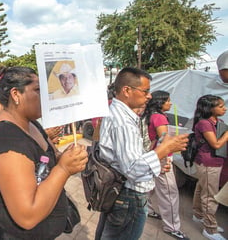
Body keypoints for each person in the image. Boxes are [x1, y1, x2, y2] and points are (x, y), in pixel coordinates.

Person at [0, 66, 88, 239]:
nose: (45, 97)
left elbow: (48, 159)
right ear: (16, 95)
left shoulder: (31, 124)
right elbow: (27, 216)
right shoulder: (7, 142)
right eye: (38, 90)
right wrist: (64, 169)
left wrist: (66, 157)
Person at [95, 67, 189, 240]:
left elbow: (130, 158)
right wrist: (164, 150)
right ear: (127, 90)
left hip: (120, 191)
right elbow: (132, 169)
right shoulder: (123, 122)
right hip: (129, 196)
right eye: (145, 91)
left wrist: (156, 162)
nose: (149, 96)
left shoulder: (120, 114)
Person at [142, 91, 189, 240]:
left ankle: (147, 209)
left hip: (150, 154)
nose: (171, 103)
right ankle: (172, 227)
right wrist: (168, 157)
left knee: (150, 186)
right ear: (160, 102)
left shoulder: (148, 115)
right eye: (168, 101)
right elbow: (164, 140)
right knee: (169, 192)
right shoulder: (159, 117)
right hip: (160, 157)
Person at [191, 95, 228, 240]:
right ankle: (210, 229)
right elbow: (216, 144)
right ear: (210, 108)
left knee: (201, 188)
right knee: (210, 195)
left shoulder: (218, 122)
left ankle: (198, 215)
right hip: (208, 162)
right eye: (220, 106)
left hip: (214, 162)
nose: (224, 108)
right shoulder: (205, 124)